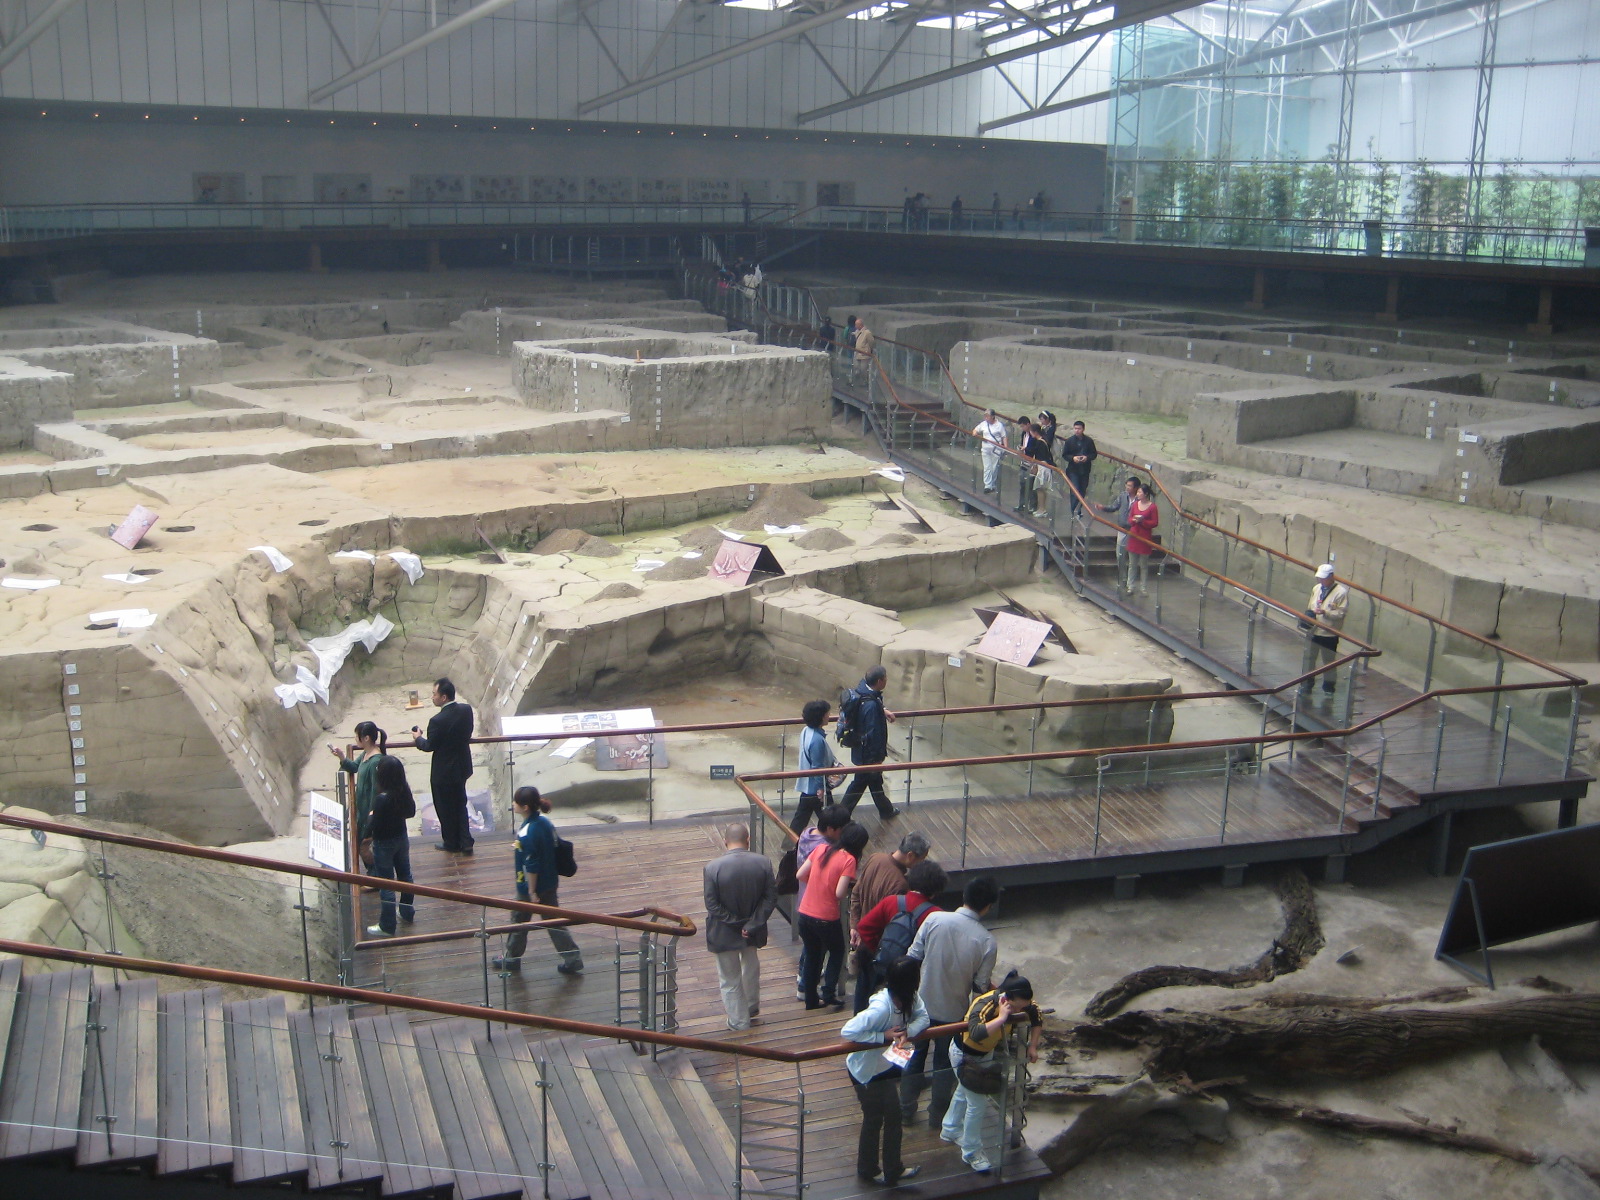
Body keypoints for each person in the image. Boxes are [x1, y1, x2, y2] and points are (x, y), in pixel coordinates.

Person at [901, 876, 999, 1128]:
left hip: (919, 1006)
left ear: (963, 897)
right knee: (944, 1065)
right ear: (987, 906)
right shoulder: (987, 941)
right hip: (954, 1014)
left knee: (911, 1056)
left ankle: (905, 1111)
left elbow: (913, 957)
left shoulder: (934, 919)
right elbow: (980, 986)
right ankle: (937, 1118)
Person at [942, 970, 1043, 1174]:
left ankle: (950, 1128)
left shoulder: (1021, 1002)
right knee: (977, 1104)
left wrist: (1033, 1046)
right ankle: (971, 1151)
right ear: (1006, 998)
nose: (1018, 1012)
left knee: (964, 1092)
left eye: (1020, 1008)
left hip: (985, 1054)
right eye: (1015, 1007)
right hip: (964, 1055)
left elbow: (1036, 1016)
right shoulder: (985, 1003)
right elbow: (976, 1031)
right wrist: (1003, 1017)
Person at [841, 956, 930, 1187]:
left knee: (893, 1116)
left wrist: (906, 1032)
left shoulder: (911, 998)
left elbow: (924, 1017)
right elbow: (848, 1031)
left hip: (886, 1067)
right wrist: (883, 1037)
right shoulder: (881, 1008)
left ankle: (893, 1168)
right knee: (874, 1118)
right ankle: (868, 1170)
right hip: (866, 1072)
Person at [492, 787, 584, 975]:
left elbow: (531, 865)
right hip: (550, 881)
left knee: (518, 921)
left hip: (530, 888)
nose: (513, 805)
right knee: (554, 922)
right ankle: (572, 958)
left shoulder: (527, 832)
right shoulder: (544, 822)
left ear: (525, 807)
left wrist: (531, 891)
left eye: (515, 802)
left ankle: (512, 958)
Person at [704, 822, 777, 1032]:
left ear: (725, 841)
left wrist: (736, 923)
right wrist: (751, 923)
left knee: (729, 979)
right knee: (751, 967)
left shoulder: (712, 868)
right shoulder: (763, 863)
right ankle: (751, 1007)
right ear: (748, 840)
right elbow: (770, 897)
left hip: (724, 932)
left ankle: (738, 1021)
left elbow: (712, 905)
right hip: (752, 930)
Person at [849, 832, 931, 1009]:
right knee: (875, 998)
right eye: (921, 859)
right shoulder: (900, 884)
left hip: (863, 938)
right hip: (878, 948)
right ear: (910, 856)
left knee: (861, 991)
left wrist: (854, 926)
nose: (921, 864)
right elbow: (894, 927)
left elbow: (855, 892)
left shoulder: (874, 858)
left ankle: (858, 1025)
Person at [854, 858, 946, 1013]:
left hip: (880, 962)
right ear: (936, 889)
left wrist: (880, 949)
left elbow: (864, 927)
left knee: (865, 995)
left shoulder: (891, 901)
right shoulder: (936, 915)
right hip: (909, 972)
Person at [796, 822, 869, 1009]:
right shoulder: (849, 860)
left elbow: (800, 875)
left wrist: (816, 884)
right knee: (837, 952)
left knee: (813, 955)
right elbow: (839, 893)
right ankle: (829, 992)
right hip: (826, 916)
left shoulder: (821, 848)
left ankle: (810, 999)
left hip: (804, 912)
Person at [412, 677, 475, 854]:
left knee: (445, 808)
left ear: (444, 697)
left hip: (444, 772)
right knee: (460, 804)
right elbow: (467, 733)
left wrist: (418, 738)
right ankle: (466, 841)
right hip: (462, 767)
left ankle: (451, 842)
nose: (432, 697)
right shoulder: (466, 710)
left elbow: (429, 746)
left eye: (434, 694)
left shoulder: (437, 720)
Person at [793, 804, 850, 1001]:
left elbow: (801, 873)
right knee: (817, 949)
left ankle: (804, 980)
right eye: (842, 828)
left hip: (804, 900)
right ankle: (805, 984)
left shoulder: (806, 834)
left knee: (810, 947)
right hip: (819, 905)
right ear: (832, 829)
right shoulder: (822, 848)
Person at [362, 755, 417, 937]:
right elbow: (410, 812)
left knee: (386, 884)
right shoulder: (403, 791)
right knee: (405, 876)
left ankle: (387, 925)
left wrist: (371, 815)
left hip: (384, 843)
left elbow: (373, 825)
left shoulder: (382, 799)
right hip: (401, 838)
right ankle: (407, 912)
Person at [839, 666, 899, 820]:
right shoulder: (871, 705)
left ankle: (886, 810)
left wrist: (883, 709)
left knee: (874, 781)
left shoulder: (862, 691)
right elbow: (873, 735)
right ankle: (841, 816)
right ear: (879, 681)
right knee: (860, 783)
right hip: (868, 754)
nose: (886, 681)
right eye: (885, 678)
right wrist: (877, 759)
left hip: (860, 749)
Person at [328, 720, 386, 844]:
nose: (355, 739)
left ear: (366, 738)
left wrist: (371, 817)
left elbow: (374, 793)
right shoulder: (366, 753)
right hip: (361, 811)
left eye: (357, 736)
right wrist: (341, 757)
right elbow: (354, 767)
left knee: (365, 847)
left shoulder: (375, 761)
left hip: (367, 814)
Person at [793, 699, 846, 834]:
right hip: (817, 789)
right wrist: (821, 789)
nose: (829, 716)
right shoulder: (817, 740)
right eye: (827, 713)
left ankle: (789, 845)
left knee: (800, 819)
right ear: (821, 717)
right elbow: (817, 767)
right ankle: (836, 842)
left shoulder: (806, 731)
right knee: (832, 819)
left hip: (807, 786)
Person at [1301, 563, 1349, 696]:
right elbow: (1310, 605)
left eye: (1323, 578)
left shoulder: (1341, 593)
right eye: (1319, 578)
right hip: (1313, 630)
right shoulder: (1316, 588)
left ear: (1331, 577)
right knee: (1309, 658)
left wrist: (1325, 612)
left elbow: (1341, 613)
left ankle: (1328, 687)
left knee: (1328, 661)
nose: (1321, 581)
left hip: (1329, 633)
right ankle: (1307, 684)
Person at [1096, 476, 1139, 595]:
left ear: (1135, 488)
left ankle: (1131, 585)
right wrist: (1103, 507)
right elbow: (1114, 507)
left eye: (1130, 486)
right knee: (1120, 555)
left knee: (1132, 560)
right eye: (1127, 485)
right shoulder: (1123, 496)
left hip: (1134, 531)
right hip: (1122, 529)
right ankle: (1123, 579)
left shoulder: (1139, 500)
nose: (1127, 487)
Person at [1126, 483, 1160, 596]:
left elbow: (1155, 522)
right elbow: (1130, 518)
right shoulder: (1135, 504)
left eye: (1140, 492)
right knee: (1132, 564)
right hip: (1134, 535)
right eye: (1138, 492)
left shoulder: (1152, 507)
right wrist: (1134, 521)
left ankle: (1143, 587)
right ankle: (1130, 586)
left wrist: (1143, 521)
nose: (1138, 494)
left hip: (1145, 537)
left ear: (1146, 494)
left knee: (1144, 565)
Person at [1060, 419, 1097, 519]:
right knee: (1075, 490)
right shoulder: (1069, 441)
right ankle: (1073, 511)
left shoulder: (1089, 441)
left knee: (1082, 491)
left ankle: (1078, 509)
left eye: (1079, 428)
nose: (1077, 430)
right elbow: (1065, 455)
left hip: (1085, 470)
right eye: (1075, 428)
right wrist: (1073, 458)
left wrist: (1087, 458)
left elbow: (1094, 454)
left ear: (1083, 429)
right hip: (1073, 470)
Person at [972, 408, 1007, 494]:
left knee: (994, 468)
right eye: (985, 416)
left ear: (993, 417)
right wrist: (975, 432)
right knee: (987, 467)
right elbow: (975, 430)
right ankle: (987, 485)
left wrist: (1005, 447)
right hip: (985, 449)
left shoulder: (999, 425)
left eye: (988, 416)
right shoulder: (983, 424)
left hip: (996, 450)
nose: (986, 418)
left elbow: (1004, 436)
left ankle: (993, 484)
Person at [852, 317, 876, 382]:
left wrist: (868, 350)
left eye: (856, 325)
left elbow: (871, 342)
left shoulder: (867, 333)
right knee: (856, 367)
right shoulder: (857, 332)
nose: (855, 326)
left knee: (863, 369)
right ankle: (861, 380)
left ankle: (865, 381)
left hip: (864, 354)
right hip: (858, 353)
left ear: (860, 325)